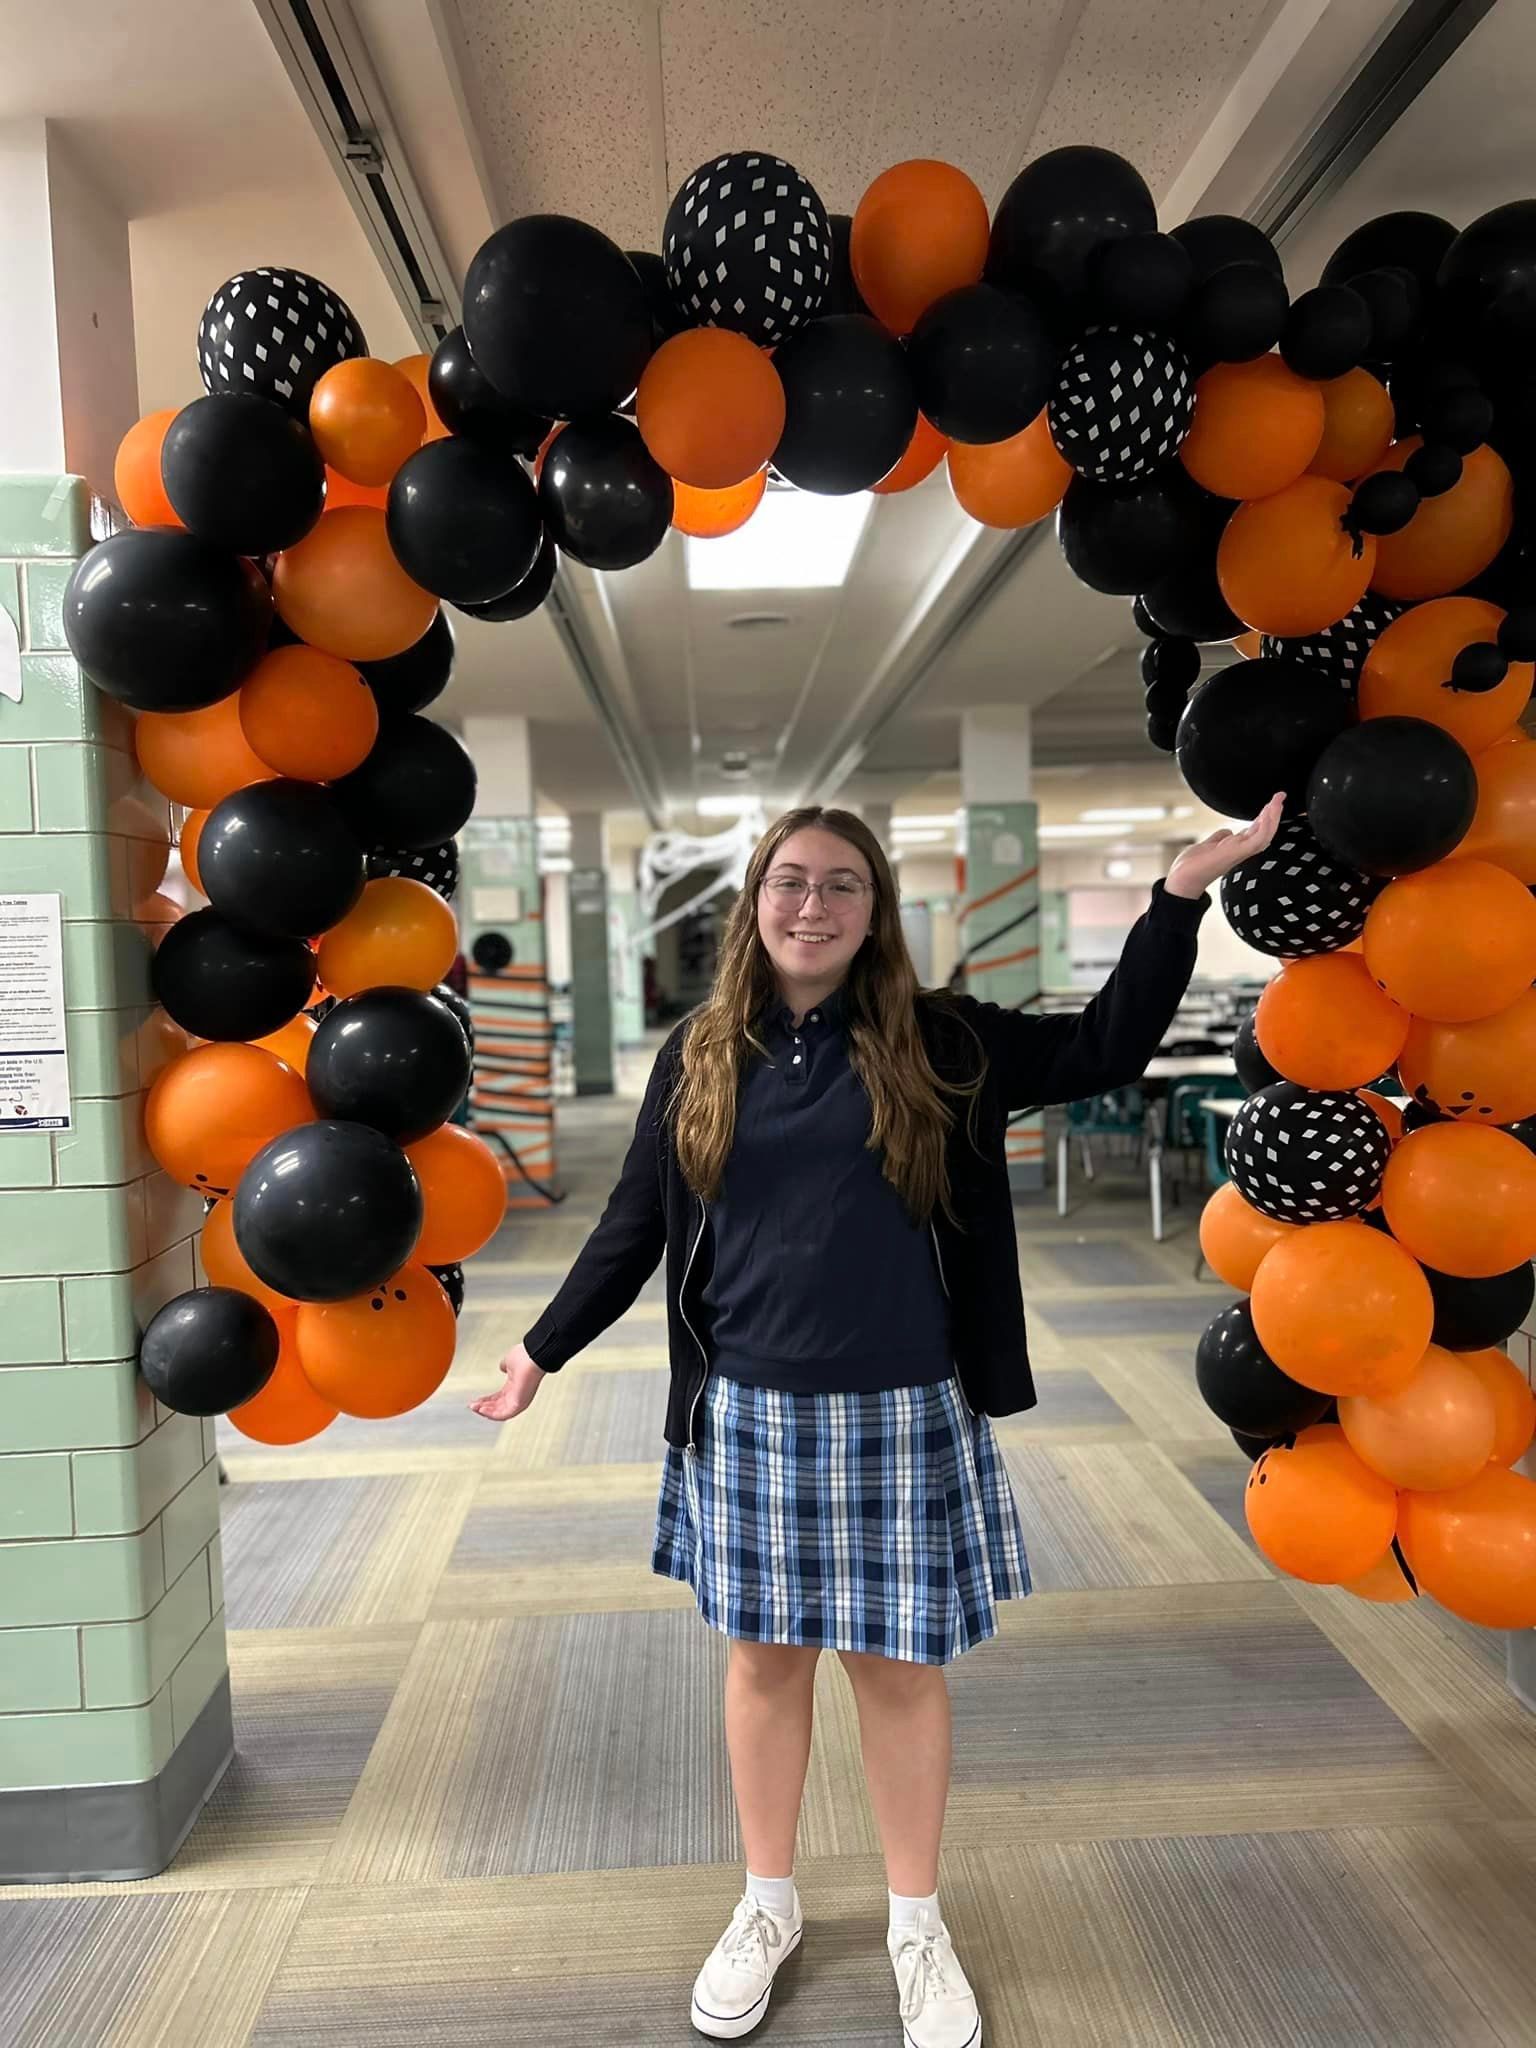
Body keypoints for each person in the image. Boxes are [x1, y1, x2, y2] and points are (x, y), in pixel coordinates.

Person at [473, 797, 1282, 2047]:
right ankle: (768, 1904)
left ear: (874, 911)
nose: (812, 904)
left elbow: (1106, 1049)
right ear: (754, 901)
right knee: (763, 1664)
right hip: (746, 1406)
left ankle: (916, 1920)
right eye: (789, 881)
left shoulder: (943, 1039)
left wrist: (1177, 898)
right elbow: (634, 1222)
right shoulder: (698, 1050)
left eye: (841, 884)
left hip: (905, 1403)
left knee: (899, 1674)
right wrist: (540, 1351)